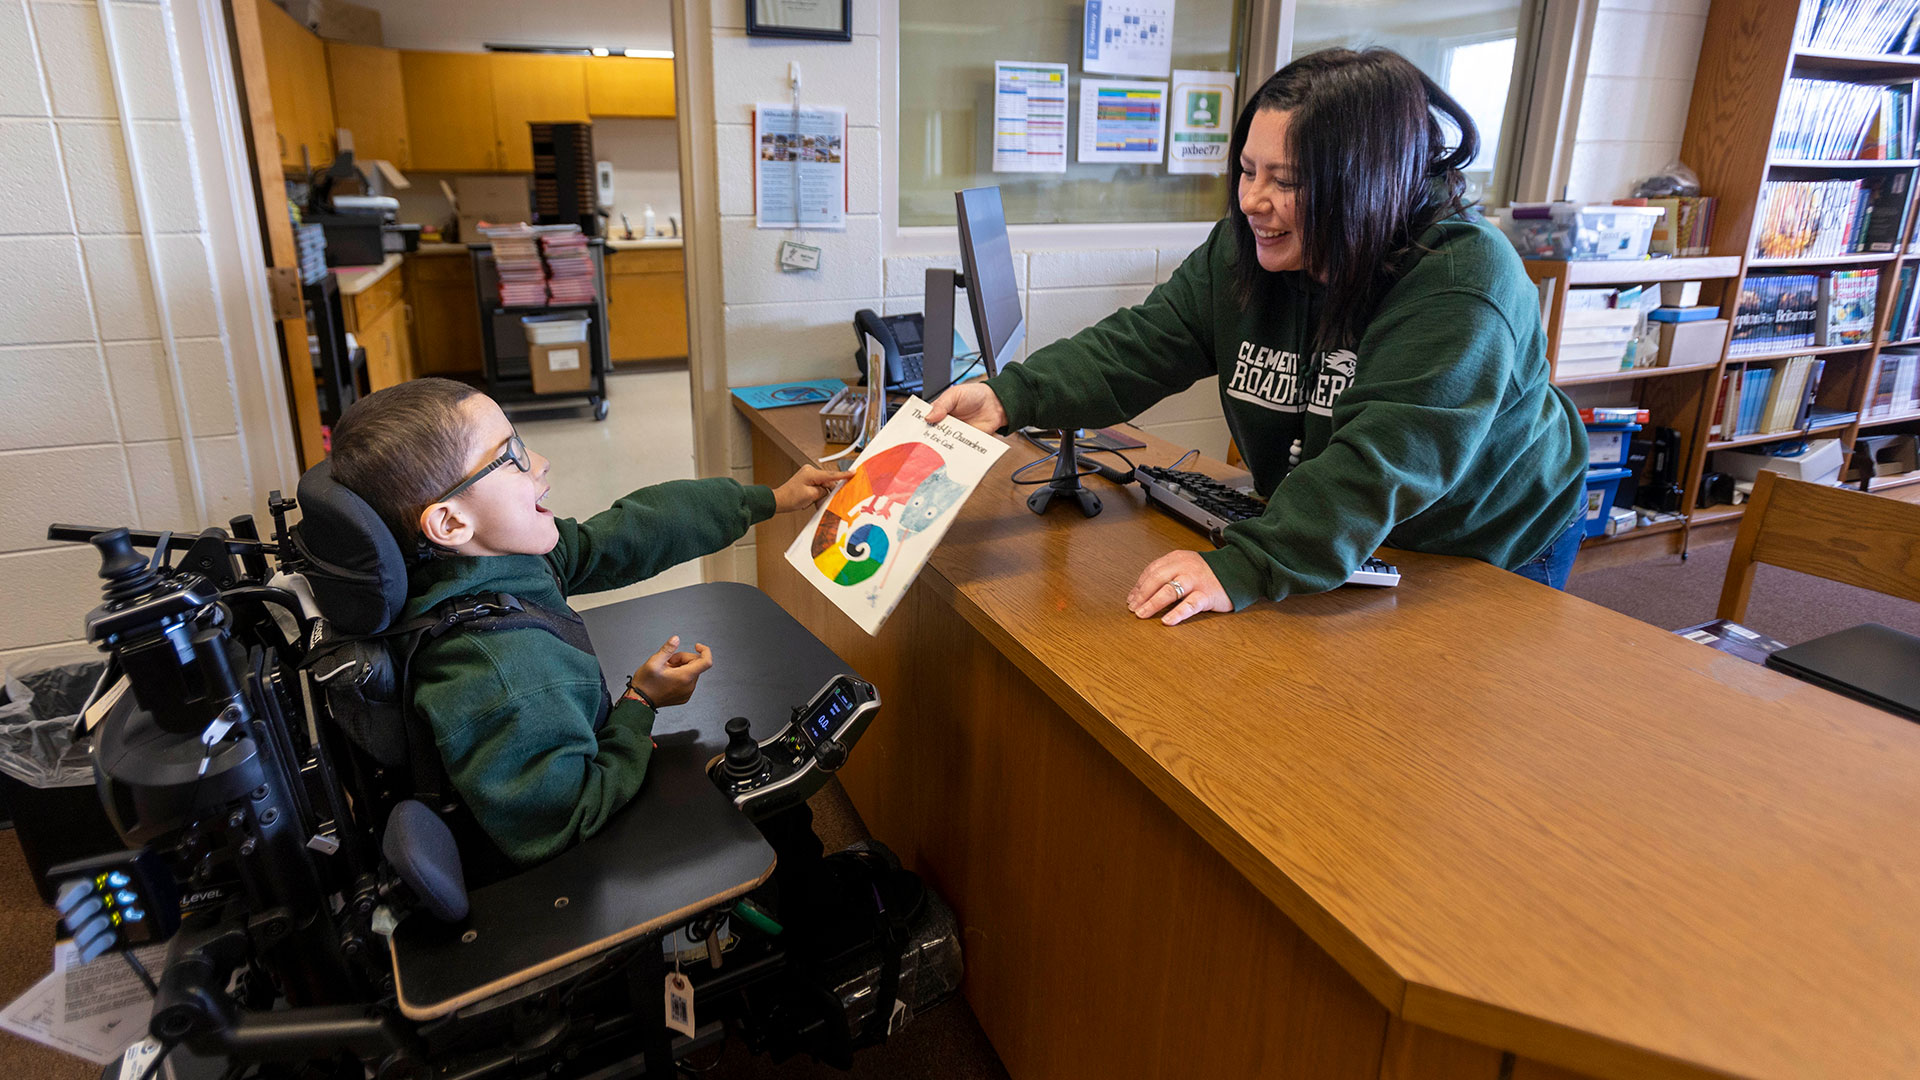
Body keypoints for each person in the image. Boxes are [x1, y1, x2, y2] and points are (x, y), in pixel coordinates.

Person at [927, 48, 1588, 625]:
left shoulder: (1461, 280)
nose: (1252, 201)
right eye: (1248, 170)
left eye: (1286, 182)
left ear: (1364, 187)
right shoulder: (1246, 250)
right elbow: (1138, 346)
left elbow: (1376, 467)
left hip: (1480, 540)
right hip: (1345, 536)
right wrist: (1009, 397)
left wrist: (1249, 565)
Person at [328, 378, 850, 868]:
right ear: (449, 522)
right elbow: (567, 818)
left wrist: (769, 500)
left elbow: (630, 533)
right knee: (778, 810)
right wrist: (640, 705)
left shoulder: (473, 567)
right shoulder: (507, 677)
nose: (540, 464)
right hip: (576, 861)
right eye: (509, 459)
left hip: (566, 770)